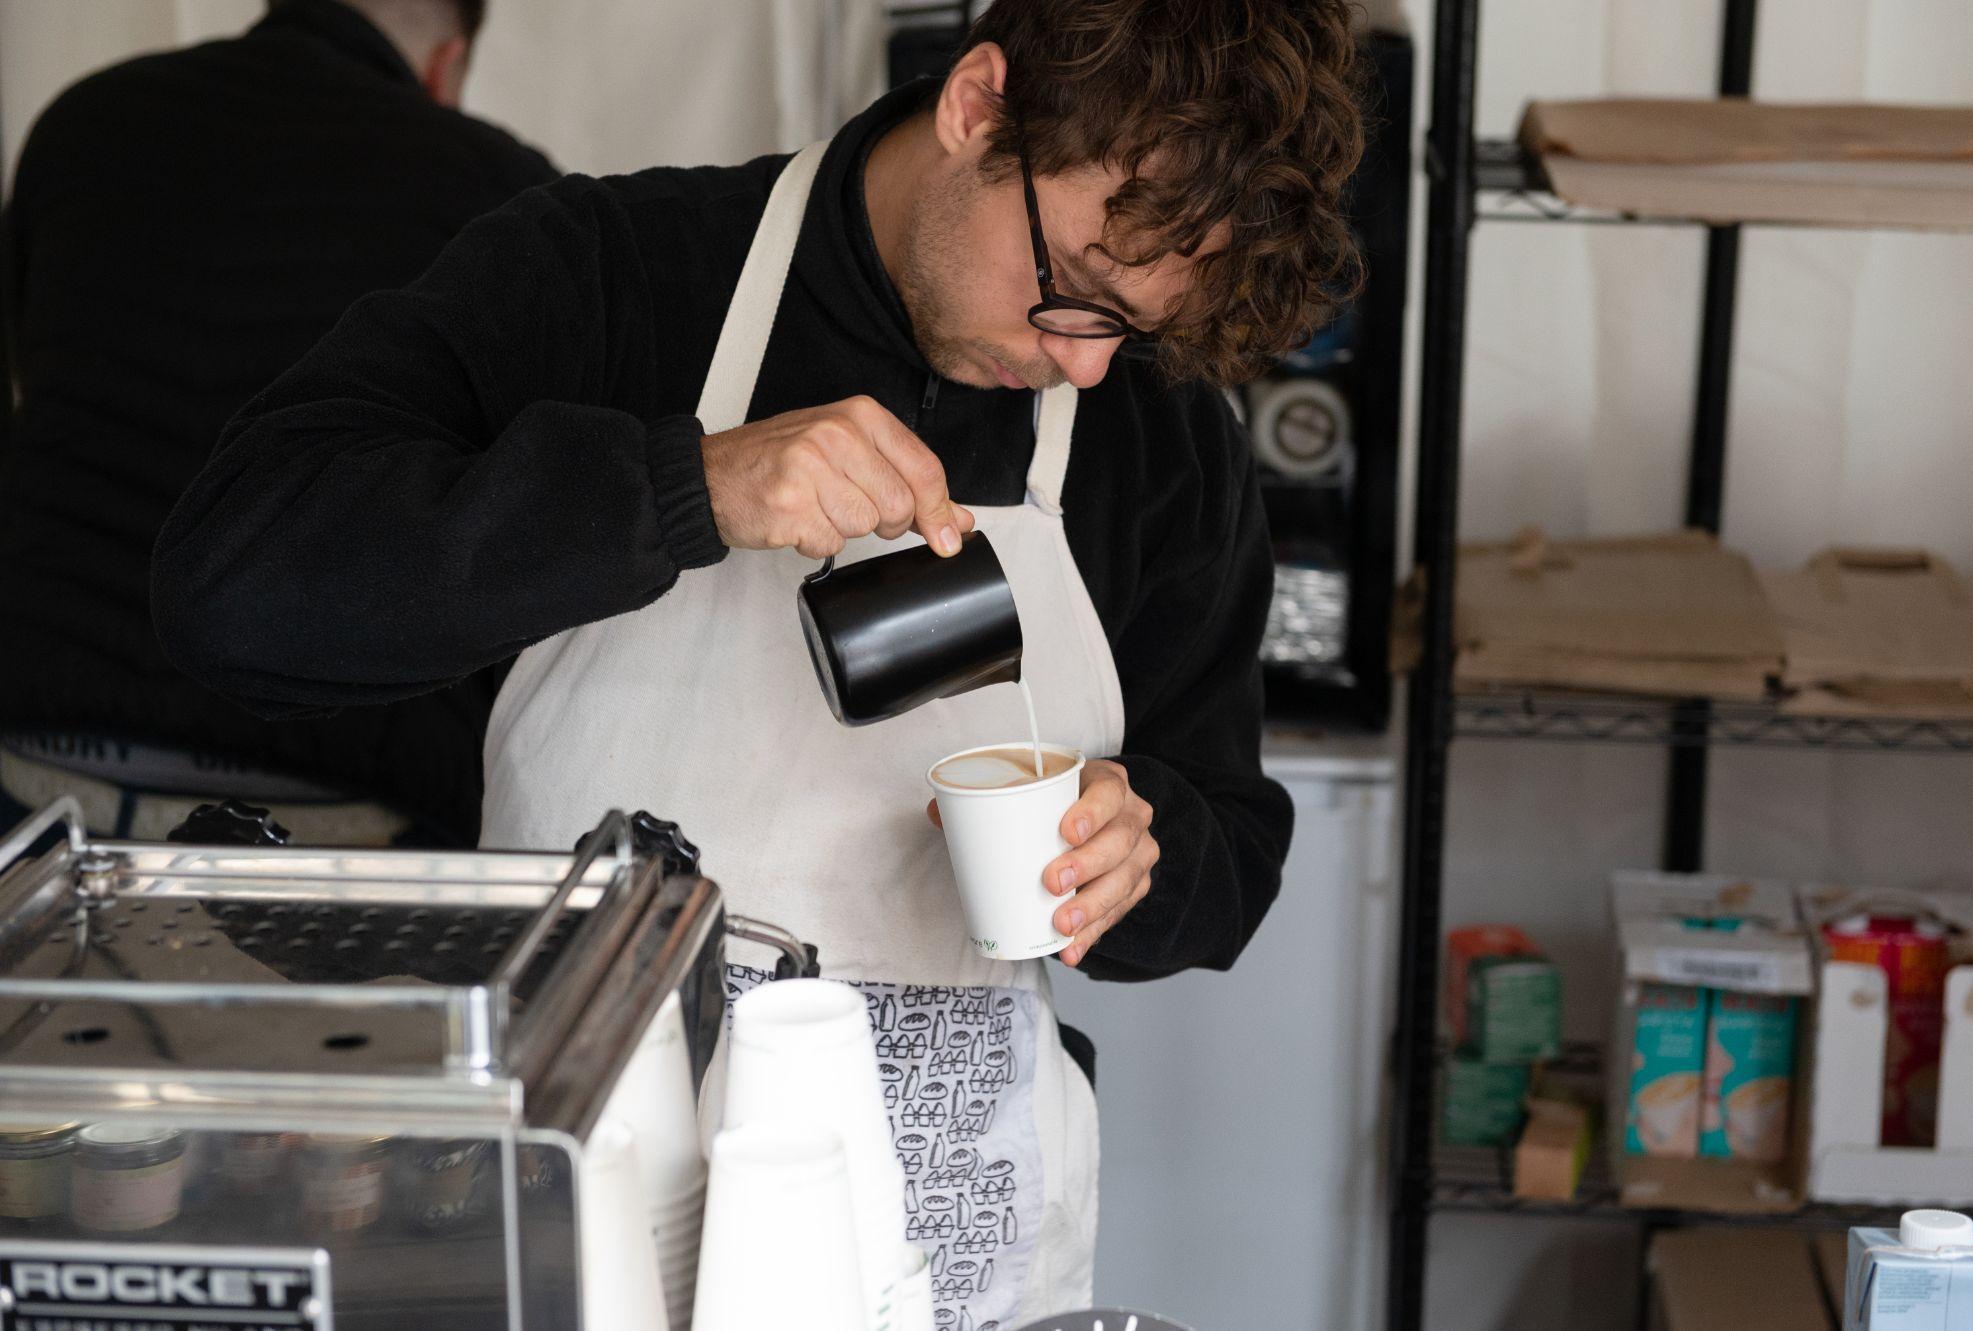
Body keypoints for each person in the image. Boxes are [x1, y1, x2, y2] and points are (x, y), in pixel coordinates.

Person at [155, 0, 1365, 1317]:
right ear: (977, 106)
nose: (1077, 364)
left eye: (1130, 326)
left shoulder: (1158, 440)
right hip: (583, 1190)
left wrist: (1147, 854)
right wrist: (686, 490)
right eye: (1069, 290)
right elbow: (231, 587)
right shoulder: (614, 273)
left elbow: (1234, 847)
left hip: (950, 1233)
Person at [0, 0, 554, 844]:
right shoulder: (499, 192)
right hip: (338, 794)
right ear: (448, 64)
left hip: (35, 757)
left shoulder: (84, 122)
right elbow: (519, 513)